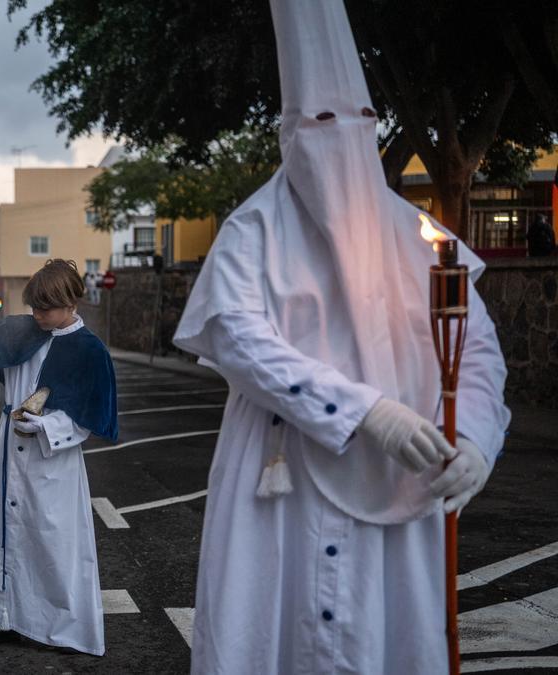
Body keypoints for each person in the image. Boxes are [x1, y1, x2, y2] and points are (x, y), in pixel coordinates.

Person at [172, 1, 510, 672]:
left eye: (357, 123)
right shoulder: (254, 230)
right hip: (279, 478)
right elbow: (240, 339)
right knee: (268, 631)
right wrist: (363, 411)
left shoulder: (420, 238)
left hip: (403, 475)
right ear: (289, 134)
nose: (339, 140)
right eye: (320, 123)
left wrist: (474, 436)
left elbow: (475, 348)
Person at [0, 259, 118, 656]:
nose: (37, 315)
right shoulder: (26, 331)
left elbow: (88, 418)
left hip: (53, 462)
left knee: (52, 542)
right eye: (34, 307)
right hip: (8, 453)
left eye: (45, 309)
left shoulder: (89, 351)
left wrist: (49, 428)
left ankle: (64, 626)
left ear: (71, 304)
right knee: (0, 535)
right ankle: (1, 616)